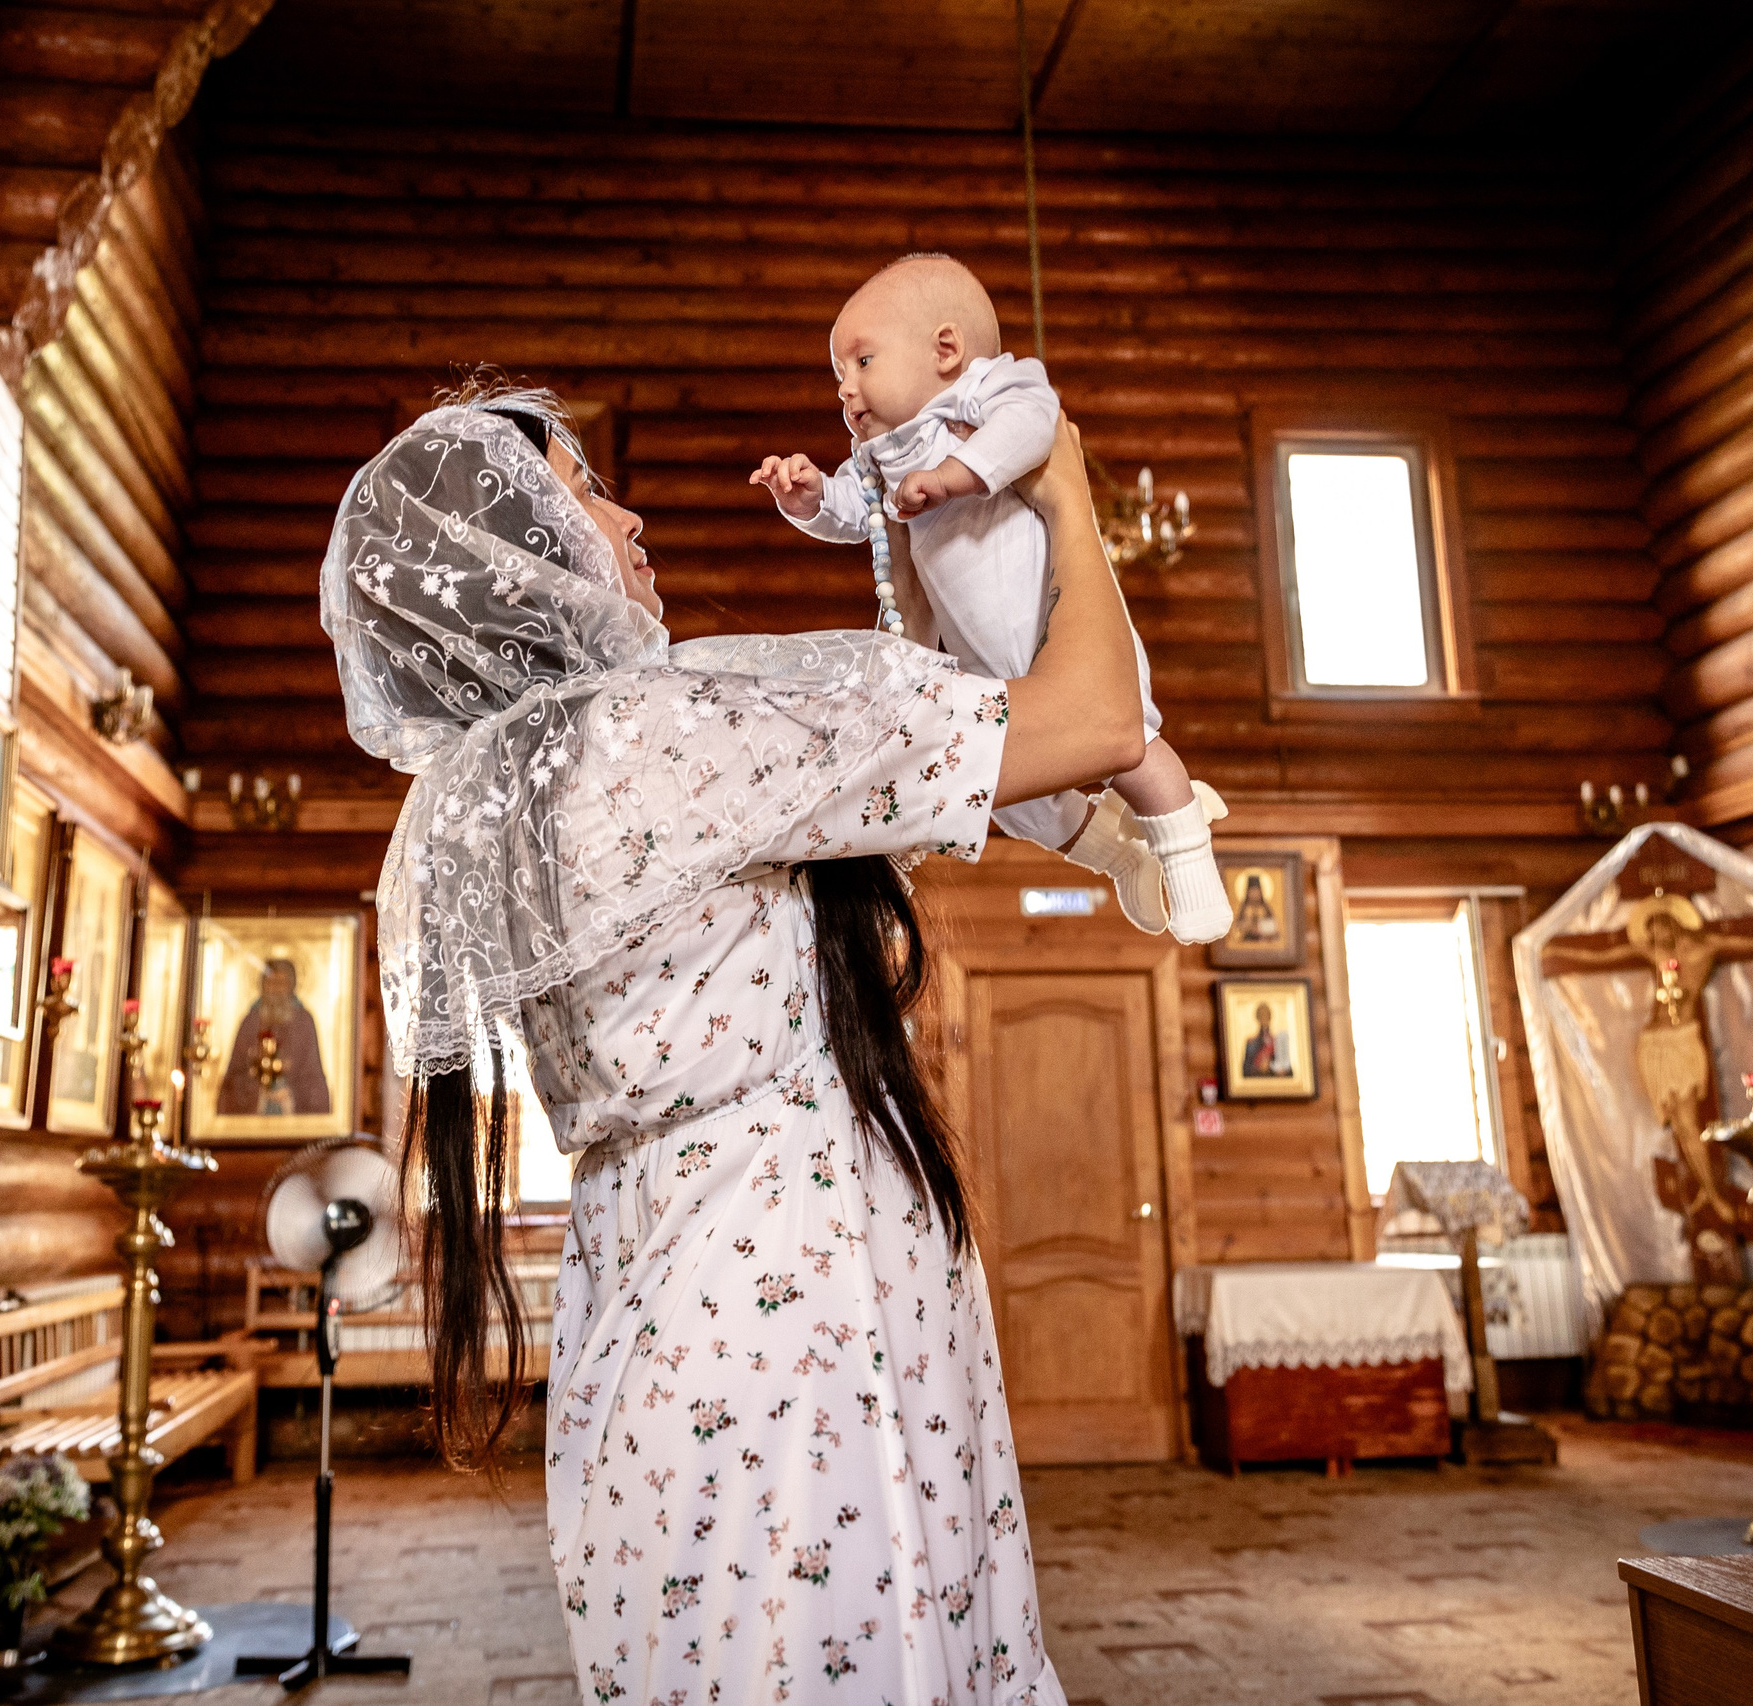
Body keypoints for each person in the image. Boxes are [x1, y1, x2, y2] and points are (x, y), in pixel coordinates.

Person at [323, 376, 1150, 1705]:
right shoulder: (677, 730)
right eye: (583, 488)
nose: (629, 510)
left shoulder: (472, 810)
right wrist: (1056, 480)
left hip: (648, 1301)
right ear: (512, 550)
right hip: (799, 1298)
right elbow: (1103, 722)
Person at [749, 253, 1232, 945]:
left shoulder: (988, 390)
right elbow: (858, 512)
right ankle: (1119, 854)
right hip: (982, 664)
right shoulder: (883, 452)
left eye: (861, 362)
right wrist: (809, 499)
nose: (845, 389)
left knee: (1133, 746)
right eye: (837, 376)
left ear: (947, 350)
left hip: (1050, 618)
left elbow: (1034, 429)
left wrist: (957, 475)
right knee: (1016, 796)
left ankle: (1189, 858)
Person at [216, 957, 332, 1117]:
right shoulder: (251, 1022)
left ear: (292, 986)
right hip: (253, 1115)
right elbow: (235, 1076)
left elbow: (313, 1076)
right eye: (271, 983)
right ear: (262, 986)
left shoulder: (304, 1021)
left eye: (282, 983)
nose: (276, 990)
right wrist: (260, 1093)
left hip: (292, 1110)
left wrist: (290, 1093)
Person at [1242, 1003, 1291, 1078]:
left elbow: (1287, 1069)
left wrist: (1271, 1068)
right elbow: (1245, 1070)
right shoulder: (1251, 1042)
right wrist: (1258, 1068)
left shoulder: (1277, 1041)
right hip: (1256, 1083)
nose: (1264, 1018)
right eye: (1261, 1015)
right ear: (1257, 1018)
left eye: (1266, 1015)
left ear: (1270, 1017)